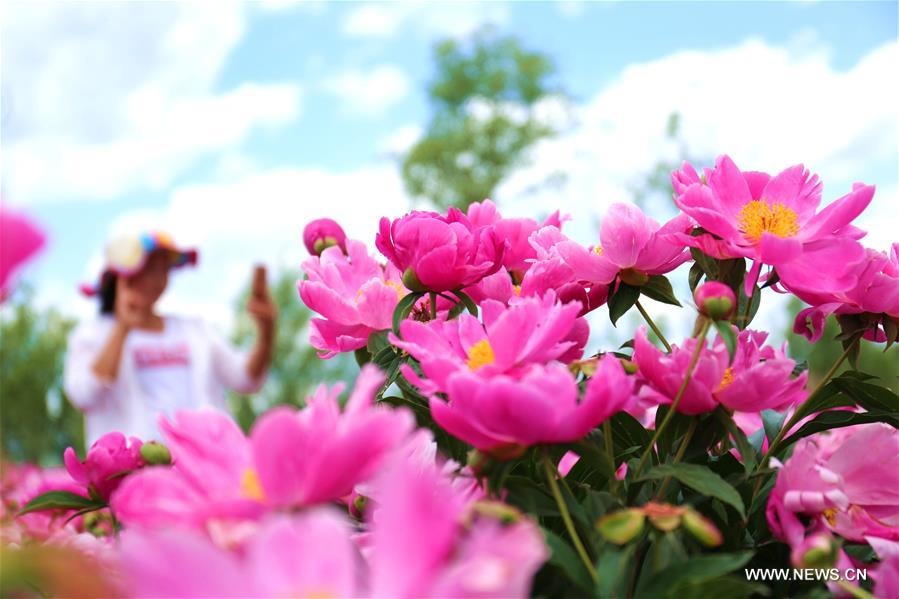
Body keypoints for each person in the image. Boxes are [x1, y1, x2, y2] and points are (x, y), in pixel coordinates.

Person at [64, 231, 276, 445]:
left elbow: (244, 378)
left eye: (163, 269)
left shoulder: (194, 328)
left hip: (202, 460)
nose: (157, 278)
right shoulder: (93, 333)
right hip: (134, 470)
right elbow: (84, 394)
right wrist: (123, 328)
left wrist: (266, 330)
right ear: (122, 278)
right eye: (149, 268)